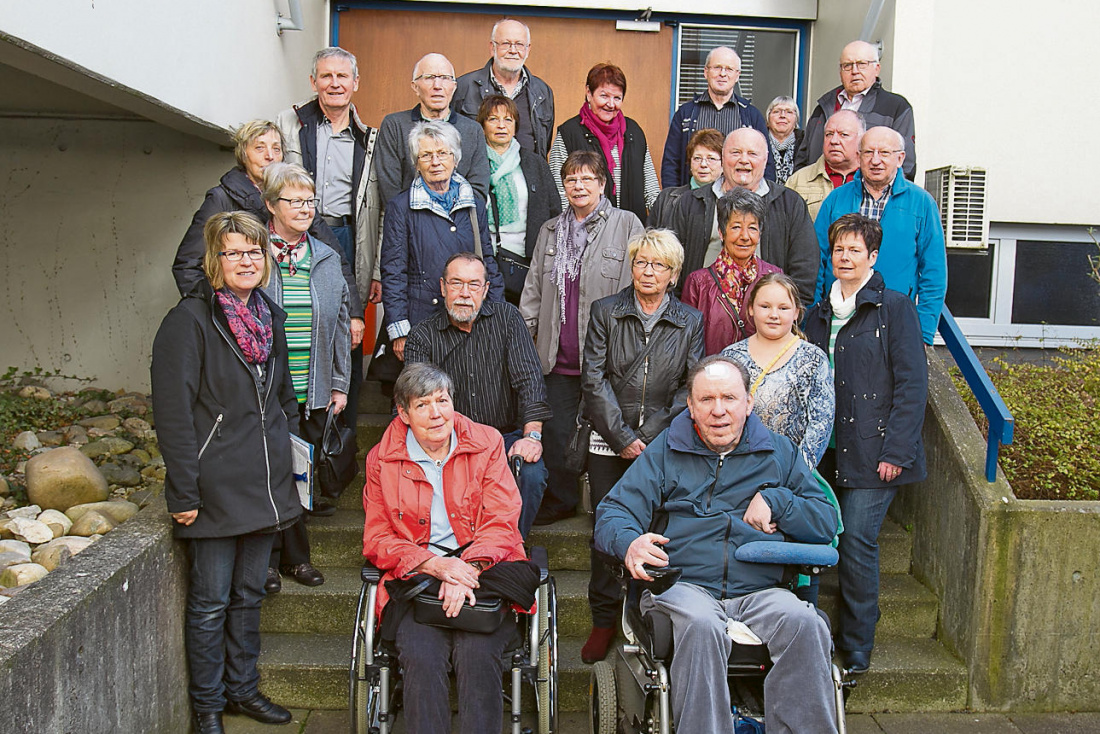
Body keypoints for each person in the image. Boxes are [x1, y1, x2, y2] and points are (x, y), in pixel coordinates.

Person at [594, 355, 840, 734]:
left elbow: (825, 522)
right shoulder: (666, 450)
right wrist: (629, 542)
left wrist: (780, 502)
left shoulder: (779, 453)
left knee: (806, 622)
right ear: (690, 406)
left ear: (748, 403)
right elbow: (614, 511)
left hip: (760, 589)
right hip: (683, 585)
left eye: (729, 398)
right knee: (701, 622)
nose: (719, 410)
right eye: (706, 400)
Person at [152, 211, 299, 734]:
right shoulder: (188, 322)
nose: (246, 261)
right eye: (235, 252)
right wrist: (183, 490)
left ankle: (243, 691)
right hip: (213, 488)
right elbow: (172, 414)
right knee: (211, 603)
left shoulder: (269, 316)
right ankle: (208, 706)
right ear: (215, 260)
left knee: (248, 595)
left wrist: (287, 447)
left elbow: (283, 397)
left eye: (254, 252)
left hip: (264, 485)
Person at [362, 362, 534, 734]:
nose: (436, 413)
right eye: (422, 404)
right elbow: (377, 538)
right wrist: (435, 566)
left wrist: (465, 570)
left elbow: (503, 519)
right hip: (419, 579)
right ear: (403, 413)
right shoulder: (382, 459)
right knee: (421, 655)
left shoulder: (486, 442)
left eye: (442, 400)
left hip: (485, 571)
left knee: (477, 652)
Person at [804, 214, 928, 674]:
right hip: (826, 451)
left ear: (872, 258)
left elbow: (912, 385)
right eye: (839, 249)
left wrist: (897, 450)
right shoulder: (817, 314)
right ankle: (805, 637)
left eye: (855, 250)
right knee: (812, 538)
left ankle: (856, 646)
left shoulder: (894, 308)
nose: (845, 257)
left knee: (856, 541)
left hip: (876, 452)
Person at [579, 229, 704, 663]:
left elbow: (688, 387)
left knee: (655, 531)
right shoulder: (606, 312)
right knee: (607, 528)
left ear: (673, 274)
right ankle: (603, 619)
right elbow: (593, 380)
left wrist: (649, 440)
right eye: (641, 263)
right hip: (607, 440)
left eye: (658, 265)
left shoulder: (690, 320)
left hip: (662, 445)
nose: (648, 272)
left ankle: (646, 616)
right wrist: (623, 438)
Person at [520, 150, 644, 526]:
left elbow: (639, 287)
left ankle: (607, 509)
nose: (578, 185)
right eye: (572, 178)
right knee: (557, 434)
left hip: (606, 358)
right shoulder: (550, 230)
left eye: (587, 178)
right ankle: (560, 501)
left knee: (606, 432)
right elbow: (533, 290)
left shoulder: (626, 224)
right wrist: (527, 337)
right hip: (557, 355)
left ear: (603, 184)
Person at [276, 47, 383, 442]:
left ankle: (340, 442)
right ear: (313, 82)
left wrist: (373, 270)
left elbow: (379, 208)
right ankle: (294, 438)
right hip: (297, 236)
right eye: (326, 76)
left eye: (343, 77)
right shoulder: (289, 126)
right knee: (300, 329)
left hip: (346, 239)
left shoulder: (368, 138)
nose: (335, 84)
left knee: (348, 335)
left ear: (356, 83)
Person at [404, 252, 551, 538]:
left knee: (532, 475)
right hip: (447, 441)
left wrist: (531, 436)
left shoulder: (507, 319)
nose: (464, 293)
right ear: (443, 287)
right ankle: (460, 551)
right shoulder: (422, 336)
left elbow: (530, 381)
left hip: (505, 435)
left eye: (473, 285)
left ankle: (508, 550)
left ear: (485, 290)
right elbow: (417, 401)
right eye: (456, 283)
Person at [260, 162, 352, 589]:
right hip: (264, 389)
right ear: (270, 205)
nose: (303, 209)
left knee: (296, 474)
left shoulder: (327, 257)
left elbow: (337, 328)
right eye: (293, 201)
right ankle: (280, 560)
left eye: (309, 201)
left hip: (310, 387)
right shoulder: (251, 253)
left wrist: (338, 383)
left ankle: (287, 559)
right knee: (271, 472)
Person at [171, 120, 362, 320]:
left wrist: (354, 313)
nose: (269, 156)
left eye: (276, 149)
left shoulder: (295, 197)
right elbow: (187, 264)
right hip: (241, 315)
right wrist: (217, 311)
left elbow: (335, 256)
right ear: (244, 154)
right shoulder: (221, 199)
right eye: (259, 148)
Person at [380, 121, 504, 365]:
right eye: (426, 155)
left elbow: (487, 260)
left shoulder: (474, 204)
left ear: (455, 159)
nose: (435, 162)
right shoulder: (401, 207)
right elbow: (393, 270)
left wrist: (499, 314)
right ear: (416, 163)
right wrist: (400, 330)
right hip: (421, 322)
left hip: (468, 318)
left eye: (442, 154)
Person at [815, 126, 947, 343]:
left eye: (884, 153)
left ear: (900, 158)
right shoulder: (836, 199)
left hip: (894, 320)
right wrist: (813, 315)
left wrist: (923, 333)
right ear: (858, 157)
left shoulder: (921, 203)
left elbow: (934, 273)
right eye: (868, 152)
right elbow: (816, 259)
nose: (875, 160)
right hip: (839, 315)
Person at [721, 272, 833, 470]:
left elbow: (820, 424)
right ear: (751, 309)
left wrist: (797, 472)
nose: (774, 315)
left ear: (796, 312)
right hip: (737, 471)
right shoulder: (732, 356)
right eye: (765, 307)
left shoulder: (813, 359)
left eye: (783, 308)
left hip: (791, 474)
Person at [716, 127, 818, 305]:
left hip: (770, 319)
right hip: (706, 319)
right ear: (723, 157)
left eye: (752, 154)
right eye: (736, 153)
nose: (744, 160)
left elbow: (805, 271)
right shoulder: (693, 203)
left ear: (765, 159)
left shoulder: (789, 204)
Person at [548, 63, 660, 224]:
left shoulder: (634, 132)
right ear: (588, 93)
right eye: (604, 96)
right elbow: (560, 191)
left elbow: (651, 189)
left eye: (617, 98)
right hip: (585, 233)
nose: (611, 104)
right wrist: (573, 229)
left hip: (631, 231)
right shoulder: (569, 133)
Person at [477, 94, 562, 303]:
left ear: (516, 126)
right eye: (493, 119)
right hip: (484, 256)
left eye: (508, 119)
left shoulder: (534, 163)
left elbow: (554, 210)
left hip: (527, 259)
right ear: (482, 125)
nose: (501, 125)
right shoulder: (473, 163)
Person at [376, 53, 490, 206]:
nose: (437, 86)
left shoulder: (473, 130)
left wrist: (447, 222)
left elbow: (478, 190)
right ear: (415, 87)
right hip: (409, 225)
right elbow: (390, 190)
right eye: (429, 78)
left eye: (445, 78)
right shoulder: (394, 126)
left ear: (454, 86)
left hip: (459, 224)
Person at [681, 189, 783, 355]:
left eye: (752, 228)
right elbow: (688, 346)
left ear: (760, 233)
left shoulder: (774, 278)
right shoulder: (698, 283)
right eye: (736, 227)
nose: (744, 236)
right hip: (714, 375)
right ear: (721, 233)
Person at [795, 41, 916, 180]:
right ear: (840, 71)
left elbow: (906, 165)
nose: (855, 71)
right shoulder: (823, 107)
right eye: (848, 65)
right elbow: (803, 159)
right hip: (819, 195)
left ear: (877, 68)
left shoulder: (896, 107)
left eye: (862, 64)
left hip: (869, 195)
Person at [660, 46, 772, 188]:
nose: (723, 74)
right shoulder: (685, 114)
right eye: (717, 67)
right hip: (692, 201)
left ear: (737, 75)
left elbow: (766, 164)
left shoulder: (751, 116)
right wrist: (674, 200)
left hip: (739, 202)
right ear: (706, 72)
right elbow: (671, 163)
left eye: (729, 69)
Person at [452, 19, 555, 157]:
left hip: (526, 176)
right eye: (506, 44)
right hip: (479, 176)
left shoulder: (542, 92)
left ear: (528, 49)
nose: (513, 51)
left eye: (519, 44)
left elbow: (544, 144)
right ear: (492, 47)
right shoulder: (464, 87)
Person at [646, 128, 723, 267]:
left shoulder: (727, 203)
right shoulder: (667, 198)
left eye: (711, 158)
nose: (703, 164)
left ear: (724, 164)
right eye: (697, 158)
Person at [785, 110, 863, 221]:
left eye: (843, 135)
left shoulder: (872, 180)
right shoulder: (798, 180)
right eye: (829, 134)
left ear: (861, 139)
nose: (834, 141)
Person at [765, 96, 802, 185]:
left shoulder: (805, 142)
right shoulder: (758, 140)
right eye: (776, 111)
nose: (782, 116)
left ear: (796, 119)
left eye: (789, 112)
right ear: (768, 118)